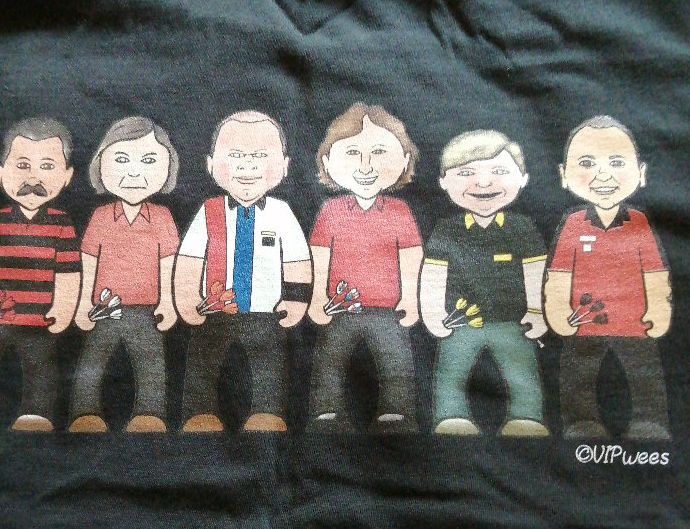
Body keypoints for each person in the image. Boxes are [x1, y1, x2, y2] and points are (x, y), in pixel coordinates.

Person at [174, 111, 311, 432]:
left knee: (269, 365)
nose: (247, 166)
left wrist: (296, 301)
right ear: (211, 165)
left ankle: (267, 412)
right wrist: (187, 299)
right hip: (213, 309)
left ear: (284, 165)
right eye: (235, 155)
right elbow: (190, 259)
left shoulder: (282, 212)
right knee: (203, 362)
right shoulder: (208, 211)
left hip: (266, 312)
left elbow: (297, 260)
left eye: (260, 156)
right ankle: (199, 412)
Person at [544, 115, 672, 439]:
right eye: (587, 163)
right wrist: (557, 311)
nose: (603, 174)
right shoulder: (572, 224)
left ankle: (650, 423)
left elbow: (655, 273)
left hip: (636, 325)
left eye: (617, 162)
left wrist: (659, 309)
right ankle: (581, 424)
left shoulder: (639, 222)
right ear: (564, 175)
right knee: (579, 380)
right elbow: (559, 275)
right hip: (583, 325)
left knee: (644, 377)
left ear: (641, 173)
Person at [0, 117, 80, 431]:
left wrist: (64, 309)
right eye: (22, 165)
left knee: (42, 369)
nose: (33, 178)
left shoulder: (62, 224)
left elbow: (68, 272)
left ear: (67, 176)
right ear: (0, 173)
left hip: (39, 318)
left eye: (47, 166)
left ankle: (36, 414)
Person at [420, 130, 548, 436]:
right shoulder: (446, 230)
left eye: (499, 171)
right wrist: (433, 313)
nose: (484, 183)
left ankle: (527, 417)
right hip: (459, 324)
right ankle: (450, 415)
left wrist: (537, 311)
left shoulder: (522, 228)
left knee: (522, 372)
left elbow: (536, 272)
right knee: (451, 370)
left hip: (514, 322)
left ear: (523, 178)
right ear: (443, 182)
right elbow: (433, 275)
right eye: (466, 173)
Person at [307, 103, 423, 432]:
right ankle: (326, 410)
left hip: (388, 309)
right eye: (352, 153)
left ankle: (396, 411)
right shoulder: (330, 211)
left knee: (395, 360)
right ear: (327, 162)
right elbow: (319, 257)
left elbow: (411, 256)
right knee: (330, 359)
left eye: (379, 152)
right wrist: (316, 299)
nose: (366, 166)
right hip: (338, 308)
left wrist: (411, 298)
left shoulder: (400, 212)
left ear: (404, 160)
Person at [69, 116, 179, 433]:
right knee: (93, 360)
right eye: (121, 159)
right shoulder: (101, 216)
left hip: (147, 309)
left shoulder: (163, 216)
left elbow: (168, 263)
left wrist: (169, 302)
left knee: (151, 362)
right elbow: (88, 260)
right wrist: (82, 303)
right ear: (100, 164)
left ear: (168, 167)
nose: (133, 172)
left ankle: (150, 413)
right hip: (103, 307)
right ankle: (84, 412)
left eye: (149, 161)